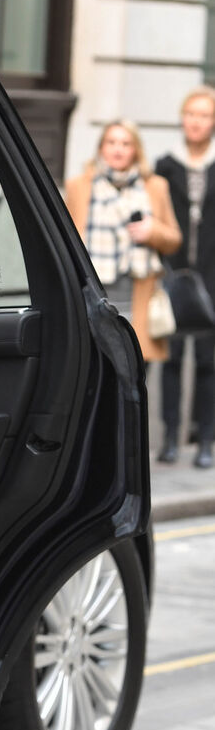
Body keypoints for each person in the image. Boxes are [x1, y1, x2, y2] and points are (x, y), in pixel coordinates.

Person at [65, 119, 181, 360]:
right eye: (112, 142)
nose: (118, 149)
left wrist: (153, 231)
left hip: (138, 298)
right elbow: (66, 239)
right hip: (93, 294)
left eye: (126, 143)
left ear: (136, 149)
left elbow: (174, 239)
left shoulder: (155, 186)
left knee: (134, 372)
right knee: (95, 368)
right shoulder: (80, 186)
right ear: (101, 148)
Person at [156, 86, 215, 468]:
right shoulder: (165, 165)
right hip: (174, 275)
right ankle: (171, 439)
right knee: (173, 358)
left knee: (210, 360)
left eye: (204, 115)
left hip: (212, 276)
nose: (196, 121)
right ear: (182, 119)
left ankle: (206, 440)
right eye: (191, 114)